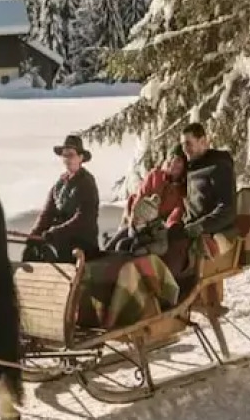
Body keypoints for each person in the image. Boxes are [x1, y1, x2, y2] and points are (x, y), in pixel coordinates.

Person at [172, 121, 239, 295]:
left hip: (214, 230)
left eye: (189, 144)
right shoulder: (193, 167)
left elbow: (227, 209)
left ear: (203, 142)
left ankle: (176, 295)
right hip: (190, 228)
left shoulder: (218, 167)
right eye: (182, 145)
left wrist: (200, 226)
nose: (185, 149)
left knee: (173, 250)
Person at [23, 134, 101, 262]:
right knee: (32, 249)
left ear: (80, 158)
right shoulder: (59, 184)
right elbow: (47, 213)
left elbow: (83, 218)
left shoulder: (87, 183)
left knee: (52, 251)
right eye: (64, 155)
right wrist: (34, 234)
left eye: (71, 155)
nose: (67, 159)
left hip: (82, 242)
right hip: (59, 237)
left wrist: (56, 232)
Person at [102, 145, 187, 254]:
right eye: (171, 158)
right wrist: (136, 217)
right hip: (138, 221)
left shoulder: (182, 189)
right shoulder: (155, 175)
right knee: (115, 244)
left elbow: (177, 212)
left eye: (178, 160)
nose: (173, 163)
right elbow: (140, 196)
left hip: (156, 230)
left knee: (129, 247)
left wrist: (167, 228)